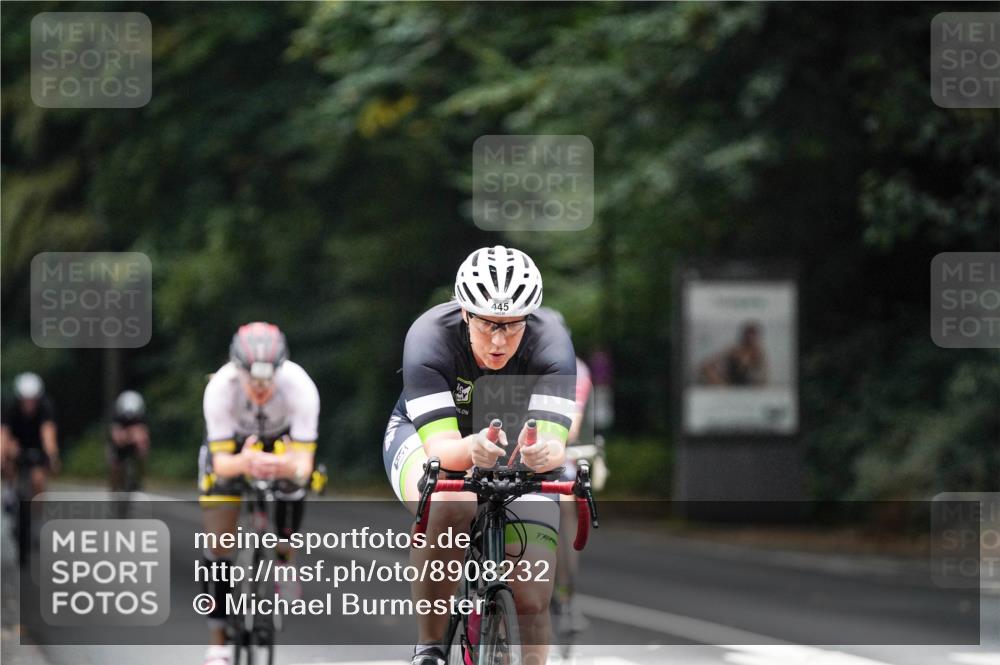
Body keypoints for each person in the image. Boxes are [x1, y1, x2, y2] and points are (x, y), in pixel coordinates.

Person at [382, 245, 577, 665]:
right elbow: (441, 450)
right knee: (452, 500)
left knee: (530, 595)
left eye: (512, 326)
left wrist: (543, 451)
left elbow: (555, 442)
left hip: (510, 449)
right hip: (428, 438)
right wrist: (470, 449)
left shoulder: (551, 341)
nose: (500, 340)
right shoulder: (429, 336)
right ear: (466, 313)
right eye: (489, 324)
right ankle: (430, 647)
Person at [198, 323, 320, 665]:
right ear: (238, 371)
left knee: (296, 487)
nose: (261, 388)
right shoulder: (221, 387)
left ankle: (284, 556)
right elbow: (221, 465)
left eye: (268, 380)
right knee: (218, 540)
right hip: (234, 448)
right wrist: (245, 462)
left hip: (282, 442)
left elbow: (303, 466)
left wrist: (283, 468)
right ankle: (218, 641)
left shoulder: (300, 387)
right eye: (253, 381)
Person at [1, 372, 60, 499]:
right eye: (25, 400)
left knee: (38, 480)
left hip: (37, 443)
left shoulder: (45, 407)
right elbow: (4, 433)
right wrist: (2, 455)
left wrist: (52, 456)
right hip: (16, 441)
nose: (29, 403)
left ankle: (36, 514)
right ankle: (9, 488)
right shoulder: (10, 407)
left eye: (32, 400)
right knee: (7, 459)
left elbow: (48, 433)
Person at [698, 321, 769, 386]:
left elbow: (763, 374)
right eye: (748, 335)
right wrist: (716, 376)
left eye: (753, 336)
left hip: (747, 384)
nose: (750, 338)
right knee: (706, 368)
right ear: (744, 335)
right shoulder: (734, 349)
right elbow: (710, 362)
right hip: (730, 382)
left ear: (756, 337)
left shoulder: (758, 352)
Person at [108, 390, 150, 496]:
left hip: (133, 445)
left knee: (142, 456)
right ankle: (114, 487)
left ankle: (138, 480)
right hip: (119, 447)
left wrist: (141, 445)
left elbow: (144, 436)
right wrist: (131, 435)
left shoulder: (141, 419)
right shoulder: (117, 418)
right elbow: (116, 437)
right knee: (115, 464)